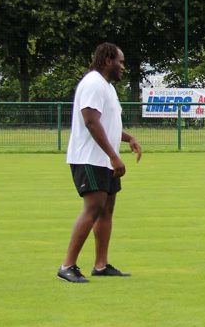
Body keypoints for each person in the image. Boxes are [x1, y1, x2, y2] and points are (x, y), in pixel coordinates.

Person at [58, 42, 142, 283]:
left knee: (107, 210)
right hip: (90, 158)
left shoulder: (107, 87)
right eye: (121, 62)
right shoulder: (94, 83)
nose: (123, 67)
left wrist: (128, 138)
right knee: (93, 208)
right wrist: (114, 156)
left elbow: (107, 123)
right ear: (107, 60)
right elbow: (91, 122)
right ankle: (67, 265)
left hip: (103, 159)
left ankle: (101, 265)